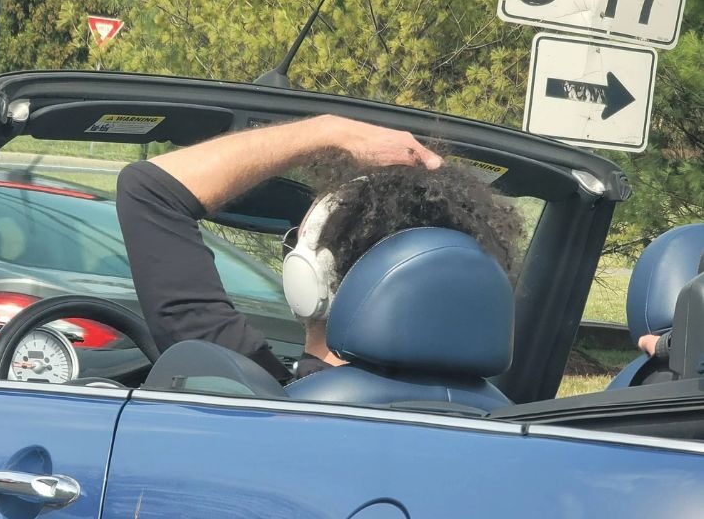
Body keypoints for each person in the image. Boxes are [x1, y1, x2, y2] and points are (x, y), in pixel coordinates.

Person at [116, 114, 523, 381]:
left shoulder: (256, 401)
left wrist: (331, 130)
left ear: (311, 278)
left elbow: (149, 190)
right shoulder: (512, 432)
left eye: (296, 239)